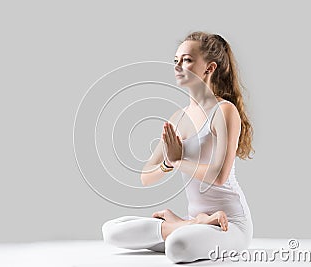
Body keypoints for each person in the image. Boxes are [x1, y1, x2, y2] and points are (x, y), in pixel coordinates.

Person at [102, 31, 255, 263]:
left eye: (187, 60)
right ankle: (187, 223)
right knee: (111, 230)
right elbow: (146, 176)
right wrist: (166, 163)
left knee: (177, 246)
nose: (178, 66)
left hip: (230, 223)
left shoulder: (224, 111)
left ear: (209, 68)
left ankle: (183, 227)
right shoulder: (178, 118)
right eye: (176, 60)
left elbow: (219, 176)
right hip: (197, 223)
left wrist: (178, 161)